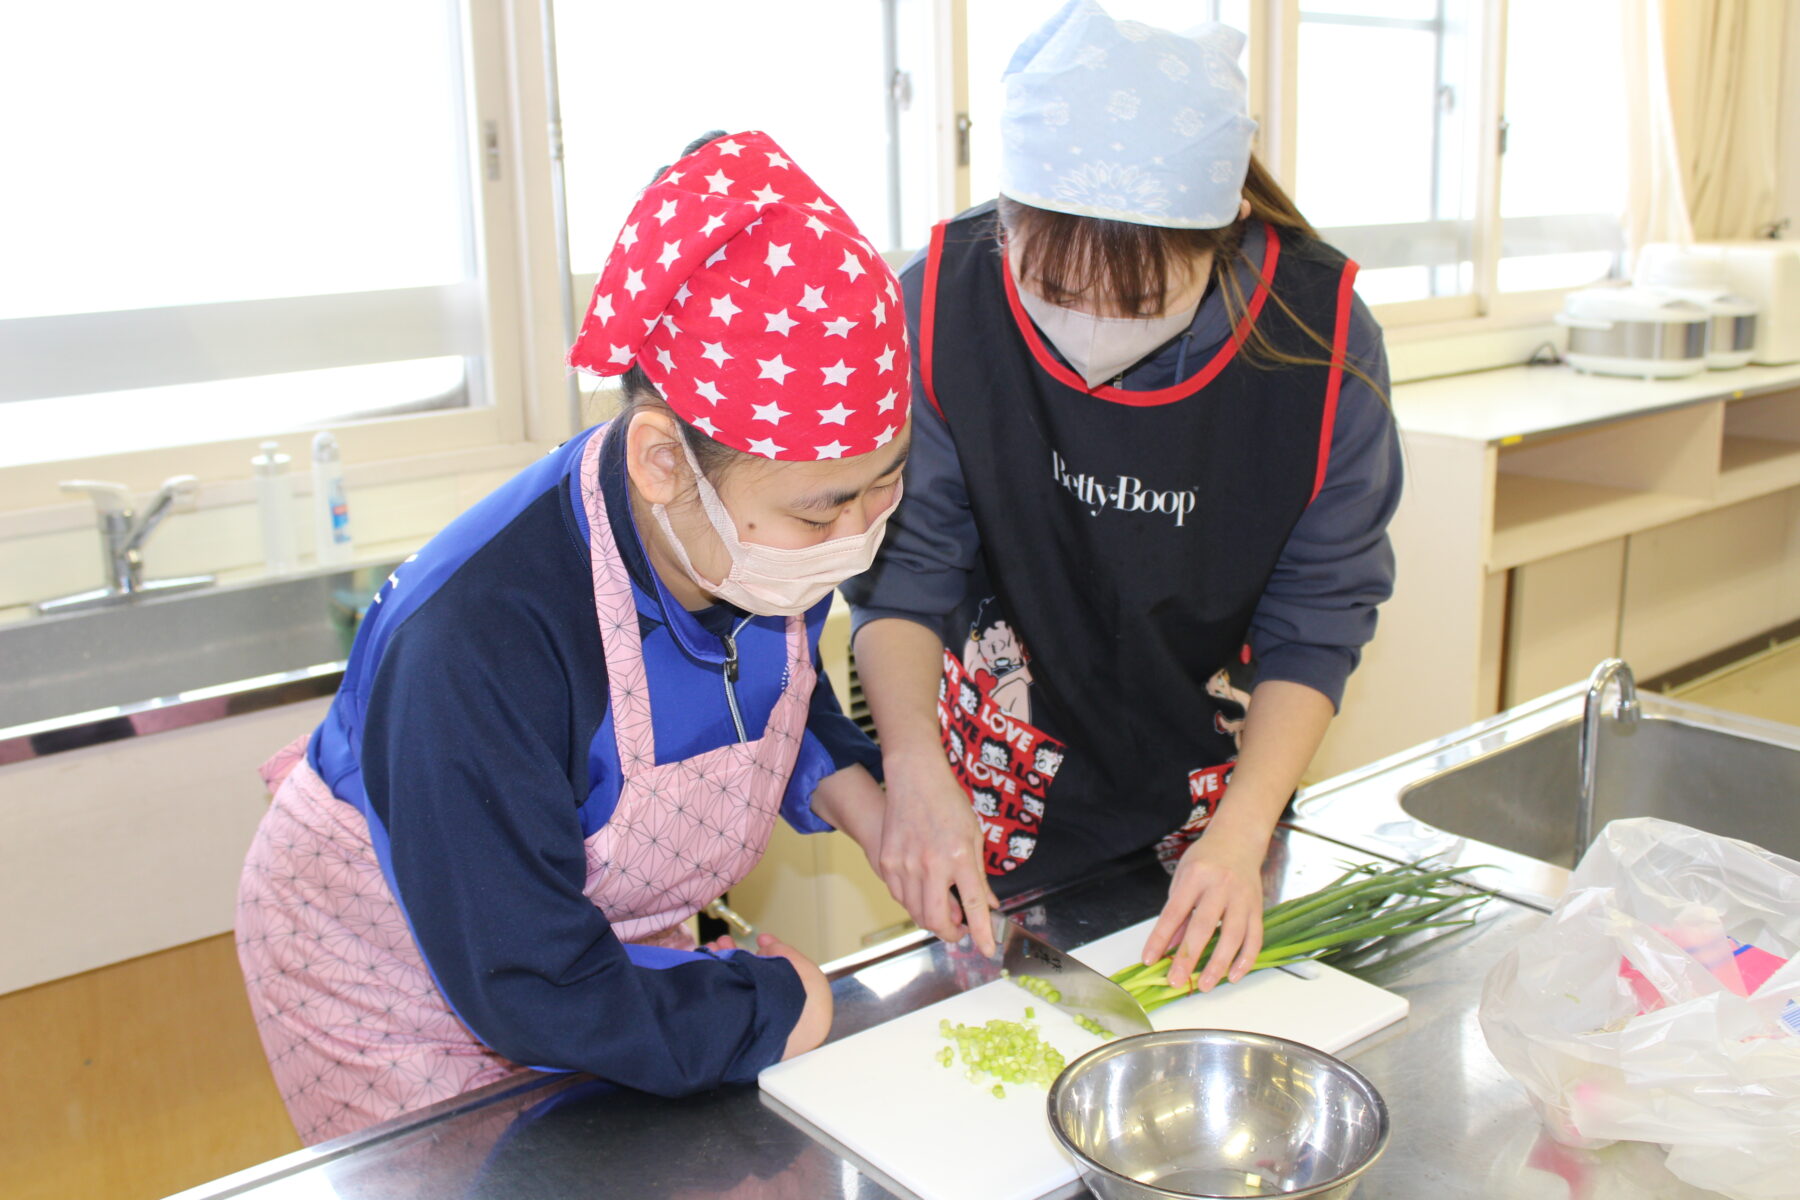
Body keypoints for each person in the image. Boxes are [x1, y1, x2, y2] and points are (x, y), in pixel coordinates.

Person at [236, 131, 911, 1144]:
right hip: (391, 973)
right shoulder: (478, 641)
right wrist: (765, 1010)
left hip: (589, 951)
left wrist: (868, 796)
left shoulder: (749, 536)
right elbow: (526, 975)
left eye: (885, 484)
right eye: (824, 513)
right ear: (661, 463)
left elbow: (763, 689)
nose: (855, 535)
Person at [842, 2, 1401, 997]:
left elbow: (1318, 618)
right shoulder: (941, 303)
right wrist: (913, 766)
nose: (1088, 338)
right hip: (993, 772)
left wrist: (1242, 831)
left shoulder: (1317, 343)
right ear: (1004, 217)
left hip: (1210, 777)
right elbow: (908, 571)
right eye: (1051, 288)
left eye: (1138, 304)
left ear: (1223, 231)